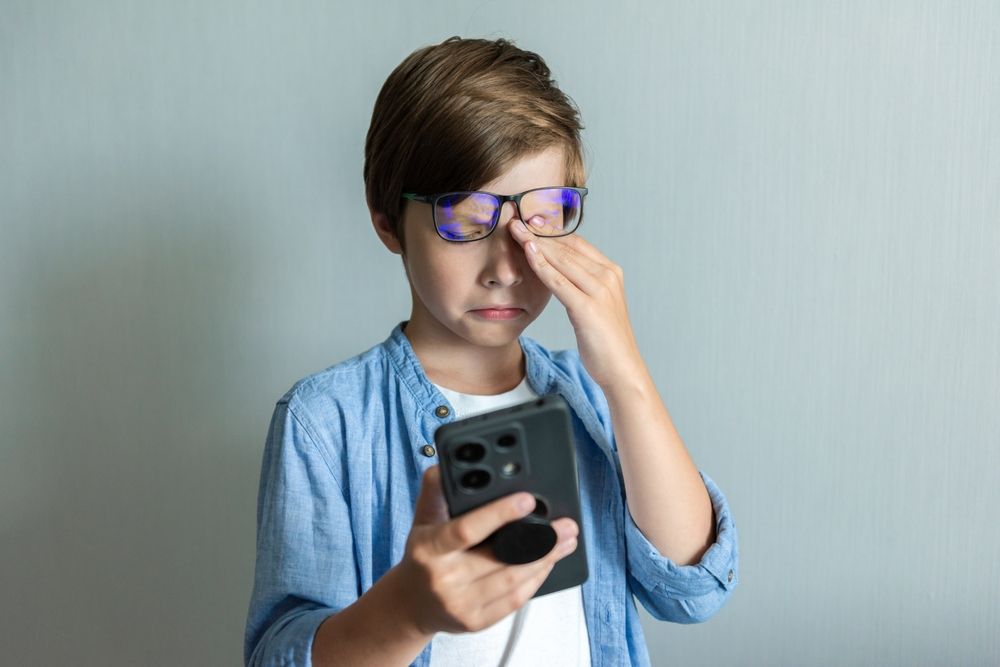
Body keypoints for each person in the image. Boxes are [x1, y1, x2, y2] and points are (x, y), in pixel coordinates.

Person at [243, 35, 739, 667]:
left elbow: (693, 589)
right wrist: (409, 611)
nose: (506, 266)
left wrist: (627, 377)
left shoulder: (588, 395)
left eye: (542, 215)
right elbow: (279, 654)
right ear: (388, 221)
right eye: (467, 217)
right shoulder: (325, 420)